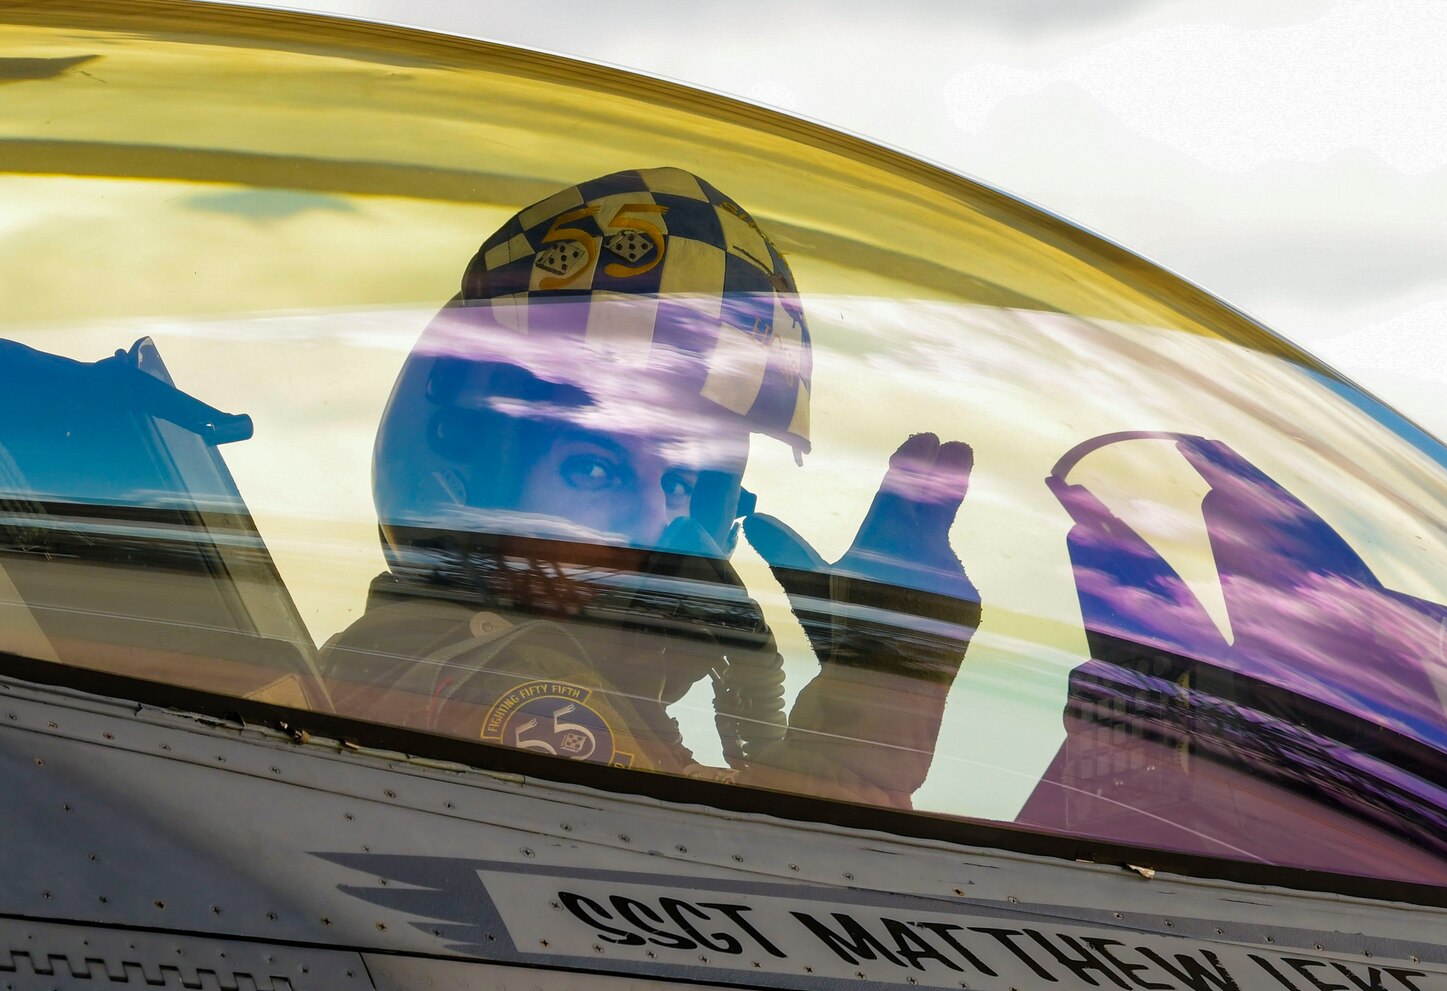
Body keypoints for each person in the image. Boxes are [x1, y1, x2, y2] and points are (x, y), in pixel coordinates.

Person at [317, 167, 980, 810]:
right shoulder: (508, 681)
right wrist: (870, 726)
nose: (657, 520)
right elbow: (730, 880)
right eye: (595, 471)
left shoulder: (451, 658)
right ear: (470, 478)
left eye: (686, 483)